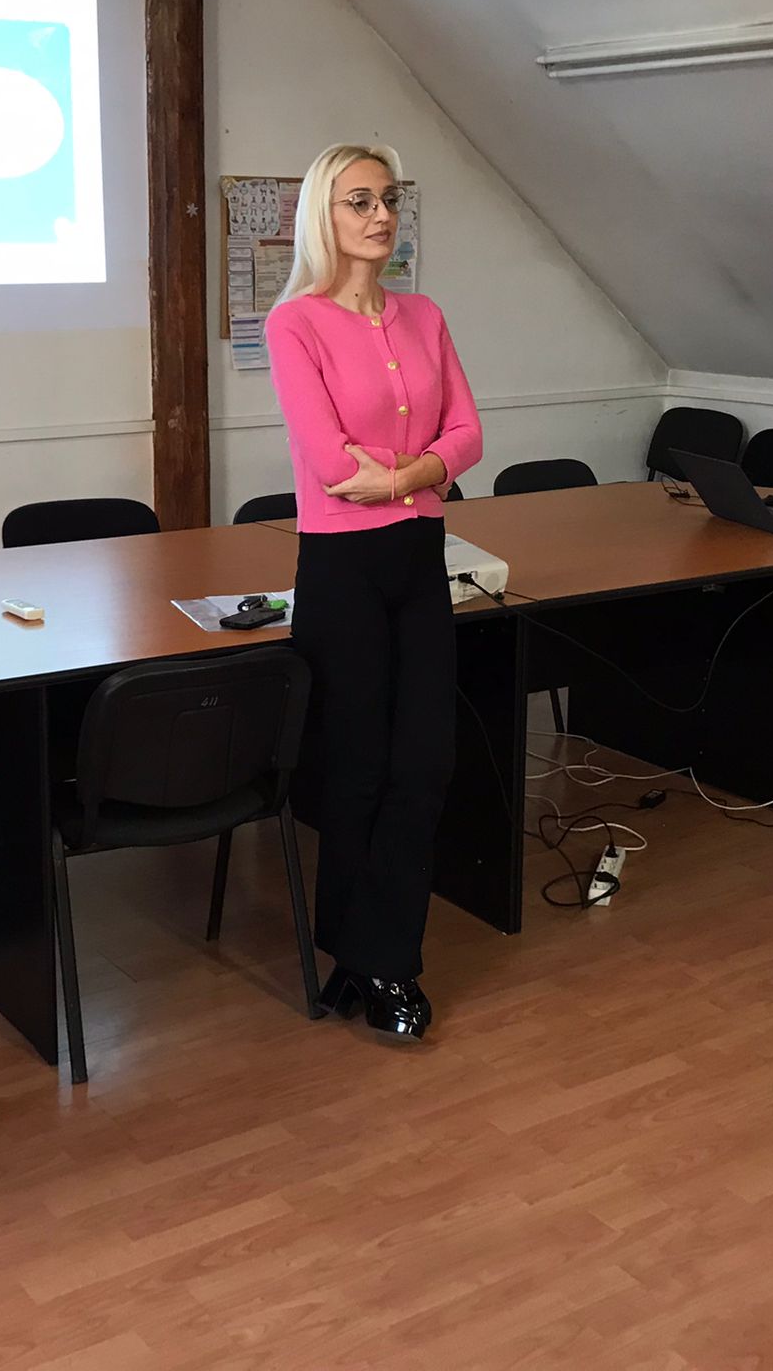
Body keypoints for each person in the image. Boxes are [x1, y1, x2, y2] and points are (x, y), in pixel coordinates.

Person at [264, 143, 483, 1040]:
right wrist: (427, 469)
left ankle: (387, 954)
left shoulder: (425, 315)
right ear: (324, 214)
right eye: (359, 201)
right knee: (355, 768)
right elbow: (328, 464)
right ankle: (360, 955)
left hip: (418, 555)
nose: (381, 215)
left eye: (389, 199)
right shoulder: (296, 324)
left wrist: (400, 478)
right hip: (340, 568)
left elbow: (470, 434)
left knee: (424, 763)